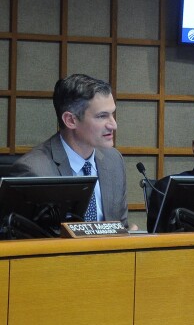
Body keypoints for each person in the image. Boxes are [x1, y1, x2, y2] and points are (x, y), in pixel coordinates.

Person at [11, 74, 128, 226]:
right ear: (71, 120)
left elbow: (121, 226)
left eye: (112, 114)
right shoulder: (34, 171)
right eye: (102, 116)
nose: (113, 125)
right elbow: (27, 241)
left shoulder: (114, 161)